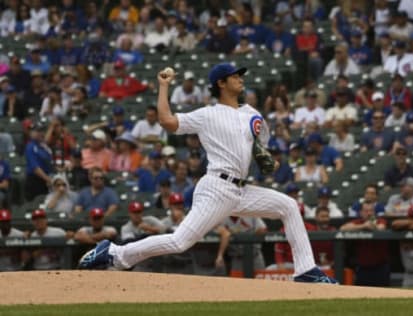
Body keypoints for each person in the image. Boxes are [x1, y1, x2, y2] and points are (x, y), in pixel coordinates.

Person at [79, 62, 338, 284]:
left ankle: (305, 270)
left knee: (289, 206)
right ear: (221, 83)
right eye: (235, 75)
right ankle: (114, 252)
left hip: (240, 189)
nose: (240, 78)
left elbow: (261, 149)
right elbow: (168, 122)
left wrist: (267, 159)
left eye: (240, 75)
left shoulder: (252, 114)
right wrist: (164, 87)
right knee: (180, 242)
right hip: (217, 187)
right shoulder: (208, 114)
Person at [340, 202, 390, 286]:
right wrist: (363, 226)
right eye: (366, 211)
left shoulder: (380, 221)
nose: (369, 213)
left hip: (380, 267)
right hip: (363, 269)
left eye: (371, 211)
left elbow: (381, 228)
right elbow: (343, 228)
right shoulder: (358, 222)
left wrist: (372, 226)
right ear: (360, 212)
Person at [25, 124, 53, 201]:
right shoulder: (30, 146)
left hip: (45, 180)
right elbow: (35, 168)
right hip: (35, 181)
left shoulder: (43, 146)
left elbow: (49, 163)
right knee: (36, 203)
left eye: (41, 131)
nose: (40, 133)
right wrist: (48, 179)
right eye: (37, 131)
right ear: (31, 133)